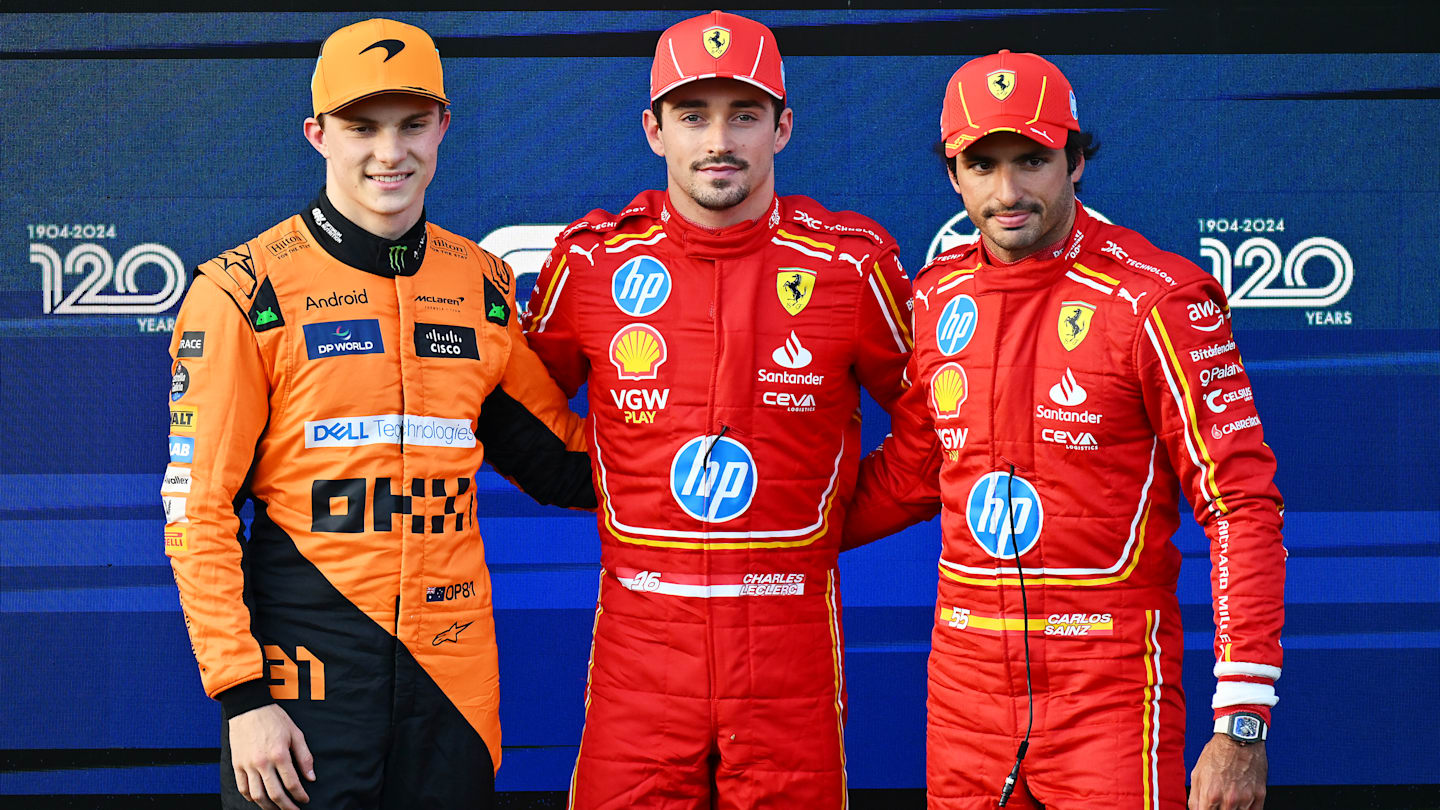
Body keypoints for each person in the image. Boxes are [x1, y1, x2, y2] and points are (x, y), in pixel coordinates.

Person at [162, 18, 593, 810]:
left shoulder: (484, 285)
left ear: (443, 129)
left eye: (412, 126)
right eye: (362, 128)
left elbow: (565, 467)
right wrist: (242, 698)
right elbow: (198, 511)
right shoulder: (243, 291)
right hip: (304, 682)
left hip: (454, 685)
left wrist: (700, 412)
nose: (389, 154)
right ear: (317, 134)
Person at [844, 50, 1286, 810]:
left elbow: (1240, 505)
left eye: (1033, 160)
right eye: (981, 164)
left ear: (1077, 161)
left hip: (1109, 688)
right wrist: (772, 534)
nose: (1007, 191)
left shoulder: (1159, 299)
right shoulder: (935, 292)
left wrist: (1241, 725)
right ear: (953, 174)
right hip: (964, 691)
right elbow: (919, 470)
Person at [521, 11, 916, 808]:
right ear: (653, 129)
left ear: (784, 127)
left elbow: (944, 424)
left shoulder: (850, 264)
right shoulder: (592, 261)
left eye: (744, 115)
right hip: (640, 647)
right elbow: (521, 408)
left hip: (788, 645)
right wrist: (612, 484)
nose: (719, 141)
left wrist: (831, 516)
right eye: (693, 116)